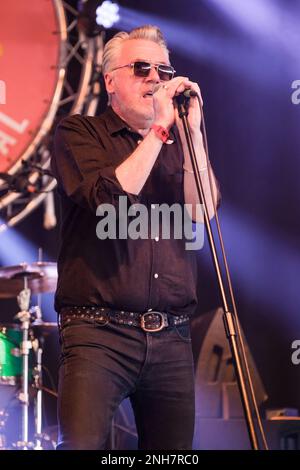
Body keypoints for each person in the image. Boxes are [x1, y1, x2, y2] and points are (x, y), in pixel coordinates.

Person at [52, 25, 220, 450]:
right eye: (141, 68)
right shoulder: (79, 133)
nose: (155, 79)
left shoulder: (179, 140)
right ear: (110, 81)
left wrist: (194, 133)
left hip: (172, 338)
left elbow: (204, 211)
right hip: (98, 334)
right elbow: (109, 198)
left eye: (162, 70)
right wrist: (160, 130)